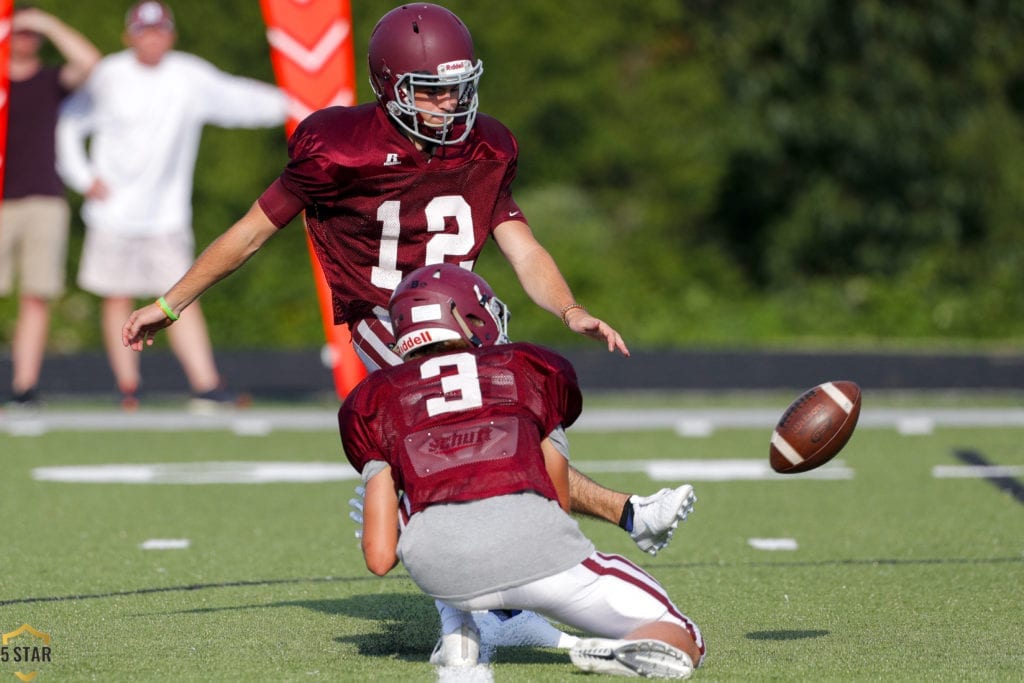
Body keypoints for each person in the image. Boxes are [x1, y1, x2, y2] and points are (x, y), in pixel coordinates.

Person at [122, 0, 694, 660]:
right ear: (389, 88)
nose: (452, 103)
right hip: (387, 322)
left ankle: (554, 560)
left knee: (511, 447)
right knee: (455, 455)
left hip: (469, 317)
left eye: (460, 86)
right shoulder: (337, 148)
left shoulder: (488, 145)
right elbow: (250, 235)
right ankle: (474, 614)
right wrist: (169, 304)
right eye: (433, 91)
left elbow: (523, 248)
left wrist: (568, 308)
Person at [341, 264, 706, 676]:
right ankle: (631, 646)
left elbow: (378, 557)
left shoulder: (373, 399)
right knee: (684, 636)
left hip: (442, 572)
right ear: (467, 316)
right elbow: (557, 503)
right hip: (542, 556)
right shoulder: (527, 367)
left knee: (421, 501)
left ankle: (459, 623)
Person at [56, 0, 287, 410]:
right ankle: (128, 387)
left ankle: (206, 385)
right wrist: (82, 177)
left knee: (183, 295)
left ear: (170, 34)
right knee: (116, 296)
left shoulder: (187, 75)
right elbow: (69, 124)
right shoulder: (109, 74)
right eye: (144, 31)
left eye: (159, 30)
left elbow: (238, 98)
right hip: (112, 212)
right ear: (130, 36)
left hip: (166, 215)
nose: (152, 39)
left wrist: (298, 105)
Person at [1, 5, 100, 406]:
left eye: (30, 34)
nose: (25, 39)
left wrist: (44, 21)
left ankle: (25, 385)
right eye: (17, 32)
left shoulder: (47, 80)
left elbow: (89, 61)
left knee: (36, 296)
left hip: (43, 197)